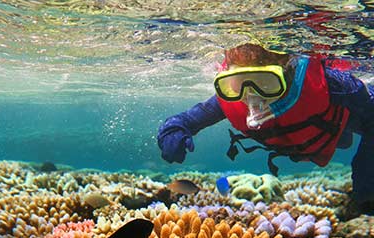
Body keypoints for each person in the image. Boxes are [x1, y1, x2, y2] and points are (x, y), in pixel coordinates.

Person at [157, 43, 374, 215]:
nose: (252, 95)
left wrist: (367, 181)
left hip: (335, 124)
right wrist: (172, 130)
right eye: (237, 83)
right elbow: (184, 120)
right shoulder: (232, 102)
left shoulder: (334, 85)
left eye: (266, 83)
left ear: (288, 74)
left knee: (348, 136)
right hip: (313, 136)